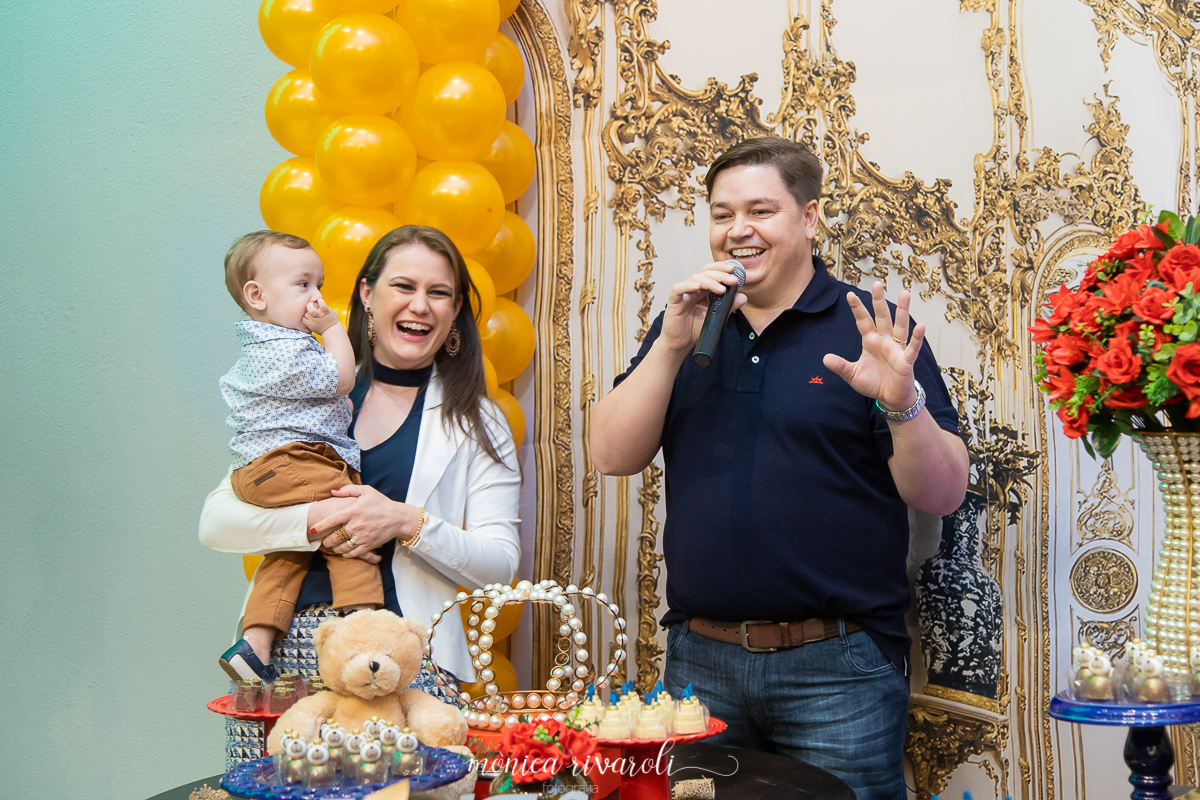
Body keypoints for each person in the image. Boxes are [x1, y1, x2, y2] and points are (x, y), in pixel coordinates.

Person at [589, 137, 968, 800]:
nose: (739, 230)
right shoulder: (687, 325)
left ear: (809, 217)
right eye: (722, 213)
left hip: (839, 666)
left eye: (760, 210)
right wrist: (672, 345)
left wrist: (903, 403)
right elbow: (611, 456)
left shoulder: (863, 327)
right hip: (699, 663)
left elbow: (940, 492)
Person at [199, 226, 521, 695]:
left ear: (453, 313)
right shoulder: (307, 387)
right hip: (283, 662)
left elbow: (500, 566)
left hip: (405, 662)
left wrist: (404, 521)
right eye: (404, 286)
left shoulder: (478, 421)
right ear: (368, 295)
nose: (420, 304)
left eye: (439, 293)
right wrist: (318, 518)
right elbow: (216, 523)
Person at [215, 230, 381, 685]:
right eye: (303, 285)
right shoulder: (286, 348)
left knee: (289, 549)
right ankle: (365, 634)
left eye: (320, 285)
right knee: (349, 526)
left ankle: (255, 643)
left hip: (263, 468)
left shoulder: (263, 349)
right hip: (291, 460)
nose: (317, 297)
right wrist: (332, 328)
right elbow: (343, 378)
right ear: (257, 295)